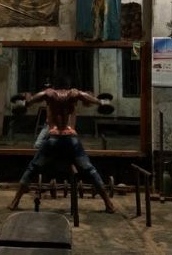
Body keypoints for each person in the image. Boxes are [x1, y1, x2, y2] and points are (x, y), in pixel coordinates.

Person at [7, 76, 116, 213]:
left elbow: (30, 102)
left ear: (55, 85)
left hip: (53, 138)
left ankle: (15, 202)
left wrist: (24, 102)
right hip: (71, 138)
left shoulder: (49, 93)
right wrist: (101, 102)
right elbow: (87, 98)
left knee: (32, 168)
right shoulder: (74, 93)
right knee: (90, 170)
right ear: (68, 86)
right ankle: (109, 204)